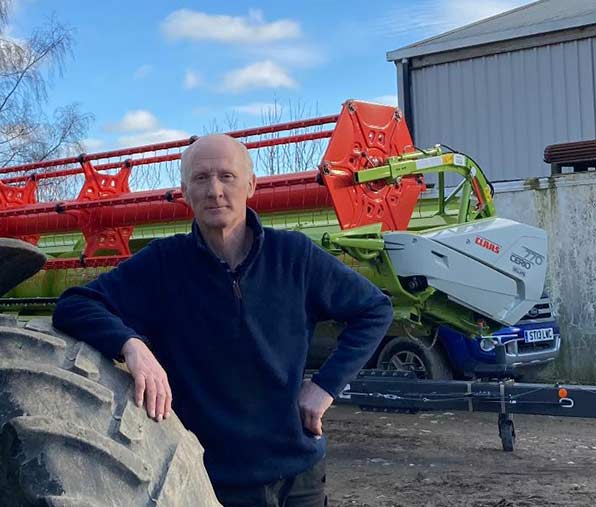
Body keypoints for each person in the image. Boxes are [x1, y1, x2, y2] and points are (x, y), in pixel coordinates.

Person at [52, 134, 394, 507]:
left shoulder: (294, 257)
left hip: (297, 476)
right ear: (185, 191)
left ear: (251, 185)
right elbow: (74, 304)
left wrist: (325, 386)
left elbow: (374, 309)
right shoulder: (164, 265)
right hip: (207, 481)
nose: (214, 190)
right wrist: (131, 346)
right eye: (201, 179)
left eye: (227, 176)